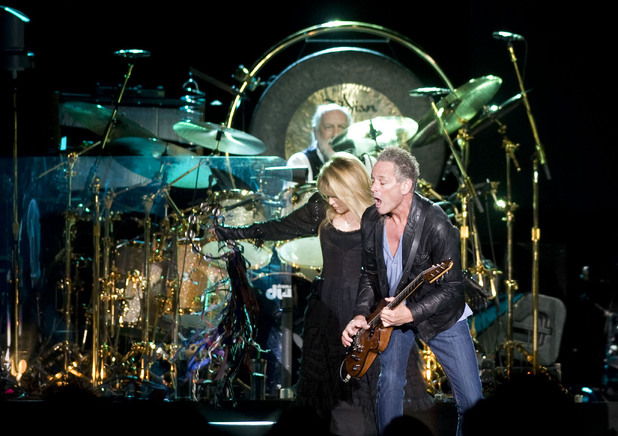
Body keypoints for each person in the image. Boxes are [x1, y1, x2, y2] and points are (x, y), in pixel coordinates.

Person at [214, 152, 432, 436]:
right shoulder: (321, 210)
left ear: (350, 189)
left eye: (334, 195)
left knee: (376, 389)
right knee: (335, 396)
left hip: (368, 312)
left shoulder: (380, 215)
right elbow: (279, 227)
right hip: (328, 313)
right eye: (325, 194)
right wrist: (233, 233)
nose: (329, 201)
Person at [341, 146, 483, 436]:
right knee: (389, 384)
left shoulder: (437, 223)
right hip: (393, 315)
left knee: (471, 401)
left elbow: (453, 288)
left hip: (441, 317)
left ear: (406, 185)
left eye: (382, 182)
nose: (373, 188)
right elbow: (369, 273)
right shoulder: (371, 218)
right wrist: (359, 313)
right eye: (372, 181)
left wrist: (411, 313)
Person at [286, 103, 353, 182]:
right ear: (315, 132)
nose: (336, 134)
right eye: (328, 127)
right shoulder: (300, 162)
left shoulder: (364, 160)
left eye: (342, 127)